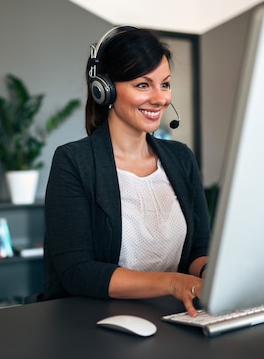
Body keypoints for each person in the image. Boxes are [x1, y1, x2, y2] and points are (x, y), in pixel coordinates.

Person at [42, 26, 211, 316]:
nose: (160, 98)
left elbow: (198, 248)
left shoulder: (181, 158)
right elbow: (77, 271)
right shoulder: (73, 161)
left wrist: (212, 275)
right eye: (143, 85)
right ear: (104, 89)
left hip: (178, 317)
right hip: (95, 324)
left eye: (165, 84)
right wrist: (172, 283)